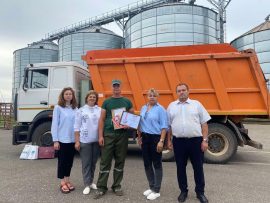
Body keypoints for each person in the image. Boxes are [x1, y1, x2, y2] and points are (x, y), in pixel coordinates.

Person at [166, 83, 211, 203]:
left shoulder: (196, 104)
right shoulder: (171, 106)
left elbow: (204, 123)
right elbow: (169, 126)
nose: (181, 92)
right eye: (179, 91)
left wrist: (205, 140)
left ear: (188, 91)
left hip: (196, 141)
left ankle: (200, 193)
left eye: (183, 90)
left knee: (198, 168)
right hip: (178, 142)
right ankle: (183, 191)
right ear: (176, 93)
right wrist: (168, 140)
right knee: (180, 168)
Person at [93, 79, 134, 199]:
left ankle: (116, 186)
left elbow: (133, 119)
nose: (116, 88)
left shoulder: (127, 101)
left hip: (122, 135)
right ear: (111, 88)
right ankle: (101, 187)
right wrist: (100, 136)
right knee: (105, 161)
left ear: (121, 87)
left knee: (120, 161)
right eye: (114, 86)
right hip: (108, 134)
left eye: (118, 86)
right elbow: (102, 119)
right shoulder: (106, 102)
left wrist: (128, 124)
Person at [137, 88, 168, 200]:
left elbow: (164, 126)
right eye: (150, 95)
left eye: (154, 96)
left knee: (157, 164)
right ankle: (151, 186)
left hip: (155, 138)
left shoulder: (160, 109)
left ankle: (157, 190)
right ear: (147, 97)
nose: (152, 97)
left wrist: (161, 141)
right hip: (145, 138)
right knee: (147, 164)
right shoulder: (143, 108)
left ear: (157, 97)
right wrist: (139, 137)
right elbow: (140, 124)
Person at [74, 90, 101, 195]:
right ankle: (86, 185)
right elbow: (76, 126)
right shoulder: (81, 110)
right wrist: (77, 141)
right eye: (90, 97)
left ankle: (91, 181)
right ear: (87, 98)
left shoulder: (100, 110)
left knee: (93, 163)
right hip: (84, 140)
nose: (92, 98)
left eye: (94, 97)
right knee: (86, 163)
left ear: (96, 99)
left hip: (96, 140)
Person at [51, 87, 78, 194]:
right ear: (63, 96)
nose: (68, 96)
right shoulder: (58, 108)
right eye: (66, 94)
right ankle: (62, 182)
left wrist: (77, 140)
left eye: (70, 94)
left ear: (72, 96)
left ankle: (67, 180)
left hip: (72, 140)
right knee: (62, 161)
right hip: (62, 139)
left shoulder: (75, 109)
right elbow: (54, 125)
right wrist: (55, 140)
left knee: (70, 162)